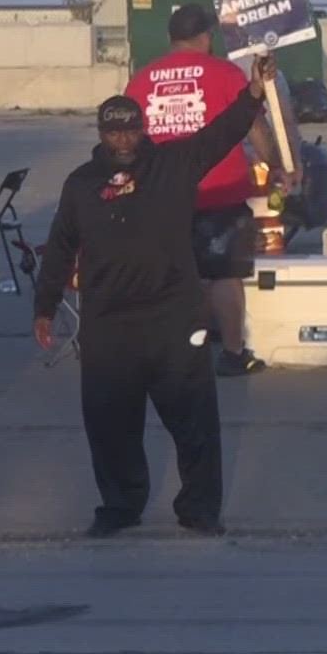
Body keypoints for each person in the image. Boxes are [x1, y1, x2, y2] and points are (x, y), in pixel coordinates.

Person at [33, 56, 275, 539]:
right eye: (113, 132)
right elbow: (60, 246)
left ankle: (200, 507)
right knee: (109, 424)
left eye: (130, 131)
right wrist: (44, 307)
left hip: (172, 318)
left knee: (194, 420)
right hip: (107, 323)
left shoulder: (173, 164)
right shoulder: (80, 184)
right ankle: (120, 505)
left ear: (143, 129)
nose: (122, 140)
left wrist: (252, 94)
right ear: (101, 132)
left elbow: (222, 133)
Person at [124, 5, 290, 377]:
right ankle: (232, 353)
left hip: (162, 197)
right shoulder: (225, 73)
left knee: (177, 278)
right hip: (221, 191)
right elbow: (253, 126)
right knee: (224, 275)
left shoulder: (142, 80)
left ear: (171, 39)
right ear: (206, 37)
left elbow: (127, 140)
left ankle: (181, 353)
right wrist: (276, 166)